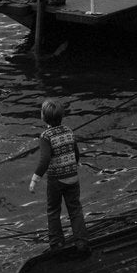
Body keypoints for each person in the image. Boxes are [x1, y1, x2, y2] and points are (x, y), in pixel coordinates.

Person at [29, 99, 89, 254]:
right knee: (75, 210)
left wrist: (35, 179)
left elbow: (45, 159)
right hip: (73, 178)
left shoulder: (45, 136)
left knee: (53, 210)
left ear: (43, 117)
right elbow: (76, 154)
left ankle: (57, 244)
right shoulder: (69, 131)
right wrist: (72, 166)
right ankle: (82, 243)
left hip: (57, 179)